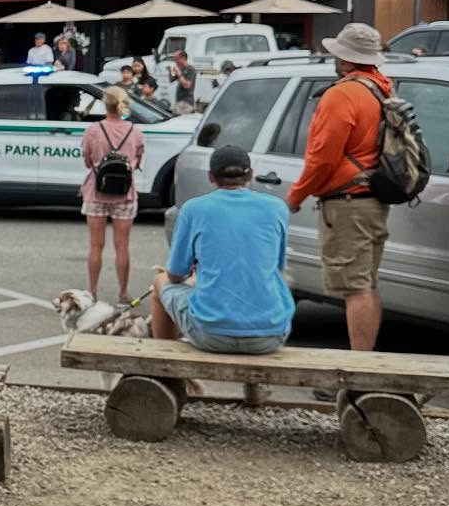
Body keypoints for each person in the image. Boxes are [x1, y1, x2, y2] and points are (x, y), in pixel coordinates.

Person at [286, 21, 393, 351]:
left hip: (348, 202)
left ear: (345, 59)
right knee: (367, 285)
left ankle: (358, 368)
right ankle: (365, 362)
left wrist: (295, 196)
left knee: (355, 289)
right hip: (373, 198)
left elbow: (323, 158)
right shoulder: (382, 89)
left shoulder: (342, 94)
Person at [153, 144, 294, 354]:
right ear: (250, 175)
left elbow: (174, 275)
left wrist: (194, 278)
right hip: (270, 336)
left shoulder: (193, 209)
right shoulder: (277, 208)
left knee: (160, 281)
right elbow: (277, 267)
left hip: (210, 335)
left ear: (211, 177)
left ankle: (163, 361)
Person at [79, 84, 144, 301]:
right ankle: (123, 293)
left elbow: (88, 162)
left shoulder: (93, 130)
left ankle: (93, 292)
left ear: (104, 104)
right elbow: (137, 162)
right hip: (125, 194)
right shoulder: (135, 131)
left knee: (96, 245)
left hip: (96, 192)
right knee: (122, 245)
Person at [24, 31, 54, 120]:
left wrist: (42, 68)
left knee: (42, 96)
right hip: (33, 76)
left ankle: (42, 115)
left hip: (44, 76)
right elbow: (29, 63)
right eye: (36, 39)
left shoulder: (47, 49)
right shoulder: (31, 50)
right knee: (32, 96)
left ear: (43, 40)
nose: (37, 41)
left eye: (39, 39)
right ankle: (32, 114)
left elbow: (49, 62)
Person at [168, 48, 198, 114]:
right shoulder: (180, 69)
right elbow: (171, 80)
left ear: (183, 58)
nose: (175, 61)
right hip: (179, 102)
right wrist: (170, 71)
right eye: (174, 59)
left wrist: (179, 74)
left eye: (176, 59)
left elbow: (187, 85)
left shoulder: (191, 69)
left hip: (186, 103)